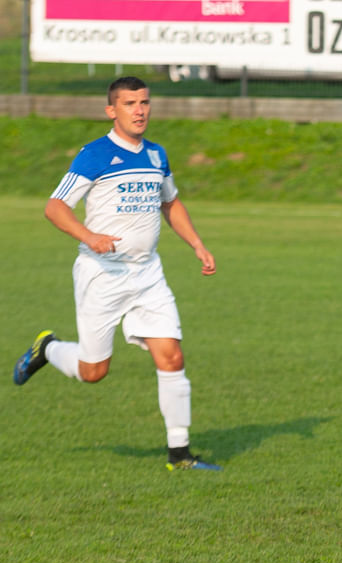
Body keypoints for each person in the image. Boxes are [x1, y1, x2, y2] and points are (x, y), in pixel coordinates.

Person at [13, 76, 221, 472]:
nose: (139, 110)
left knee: (172, 356)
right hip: (102, 275)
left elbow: (171, 203)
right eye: (129, 104)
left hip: (148, 275)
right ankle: (49, 349)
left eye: (144, 102)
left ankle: (180, 455)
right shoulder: (95, 154)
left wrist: (196, 243)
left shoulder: (157, 155)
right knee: (94, 372)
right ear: (112, 110)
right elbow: (55, 207)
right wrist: (88, 236)